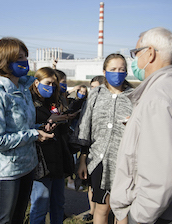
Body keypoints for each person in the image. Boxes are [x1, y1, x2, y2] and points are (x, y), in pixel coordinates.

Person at [110, 27, 172, 224]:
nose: (134, 60)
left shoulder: (157, 98)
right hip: (170, 208)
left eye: (135, 53)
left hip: (153, 215)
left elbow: (160, 176)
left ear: (149, 53)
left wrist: (137, 216)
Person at [0, 37, 53, 224]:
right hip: (7, 171)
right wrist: (34, 134)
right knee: (4, 220)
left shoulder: (23, 89)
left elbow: (22, 128)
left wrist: (39, 128)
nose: (25, 62)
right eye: (19, 57)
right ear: (4, 62)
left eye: (25, 56)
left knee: (19, 218)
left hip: (27, 165)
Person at [74, 53, 133, 224]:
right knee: (102, 208)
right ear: (104, 71)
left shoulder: (134, 96)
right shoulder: (95, 94)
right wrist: (83, 159)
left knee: (122, 210)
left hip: (124, 162)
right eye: (113, 69)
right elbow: (85, 128)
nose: (117, 73)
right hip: (98, 160)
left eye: (122, 69)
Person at [29, 67, 75, 224]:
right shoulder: (29, 103)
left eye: (54, 84)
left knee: (58, 204)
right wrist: (45, 125)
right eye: (48, 83)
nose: (51, 87)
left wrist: (62, 119)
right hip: (41, 163)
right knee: (40, 206)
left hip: (58, 160)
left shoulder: (53, 102)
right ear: (37, 82)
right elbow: (25, 129)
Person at [81, 75, 107, 223]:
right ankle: (92, 211)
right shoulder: (89, 103)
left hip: (105, 153)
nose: (93, 90)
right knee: (91, 185)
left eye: (97, 87)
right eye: (92, 87)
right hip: (91, 151)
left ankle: (100, 212)